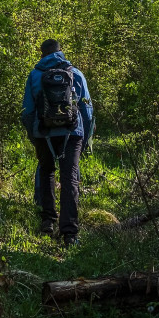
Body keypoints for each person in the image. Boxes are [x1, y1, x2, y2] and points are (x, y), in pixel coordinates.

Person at [20, 39, 94, 246]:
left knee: (46, 171)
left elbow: (27, 111)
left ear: (41, 54)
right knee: (69, 176)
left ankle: (47, 221)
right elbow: (87, 110)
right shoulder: (76, 73)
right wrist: (85, 136)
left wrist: (35, 136)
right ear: (60, 52)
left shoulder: (35, 75)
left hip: (43, 131)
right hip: (72, 132)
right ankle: (70, 232)